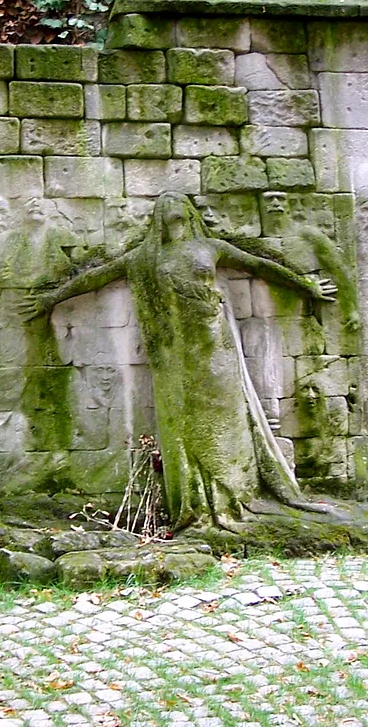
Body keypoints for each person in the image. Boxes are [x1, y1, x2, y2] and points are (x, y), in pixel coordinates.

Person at [20, 192, 338, 532]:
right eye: (165, 203)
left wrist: (306, 284)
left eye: (178, 202)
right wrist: (52, 298)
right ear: (158, 216)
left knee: (228, 419)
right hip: (174, 352)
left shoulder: (211, 247)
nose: (171, 205)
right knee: (184, 423)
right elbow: (96, 276)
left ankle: (237, 491)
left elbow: (259, 265)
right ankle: (199, 501)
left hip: (216, 345)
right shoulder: (144, 257)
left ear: (189, 212)